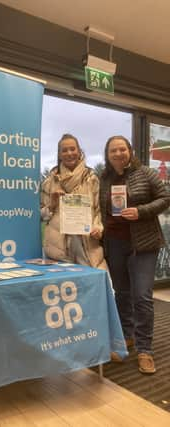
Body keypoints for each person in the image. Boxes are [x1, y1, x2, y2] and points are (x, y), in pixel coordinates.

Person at [99, 135, 170, 374]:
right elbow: (101, 208)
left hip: (144, 243)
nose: (118, 154)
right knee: (122, 293)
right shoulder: (105, 178)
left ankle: (145, 349)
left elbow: (165, 198)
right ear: (107, 156)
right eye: (113, 151)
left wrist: (140, 211)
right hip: (114, 243)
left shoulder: (147, 173)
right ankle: (126, 336)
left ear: (129, 151)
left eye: (122, 149)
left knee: (142, 296)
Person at [41, 133, 107, 269]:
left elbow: (98, 209)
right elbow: (40, 215)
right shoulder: (49, 181)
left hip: (87, 243)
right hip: (58, 246)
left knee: (92, 284)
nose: (69, 153)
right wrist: (52, 204)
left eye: (72, 149)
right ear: (59, 154)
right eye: (64, 150)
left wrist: (98, 228)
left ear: (79, 151)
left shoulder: (91, 178)